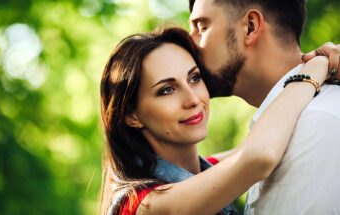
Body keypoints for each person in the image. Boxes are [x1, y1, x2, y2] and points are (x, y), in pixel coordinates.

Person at [99, 27, 331, 215]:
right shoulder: (145, 206)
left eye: (194, 78)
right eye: (167, 90)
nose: (193, 99)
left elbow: (256, 146)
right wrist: (314, 69)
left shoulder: (203, 170)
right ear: (132, 115)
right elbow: (257, 156)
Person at [188, 0, 340, 214]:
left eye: (202, 27)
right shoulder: (283, 128)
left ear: (250, 27)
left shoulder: (314, 125)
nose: (189, 44)